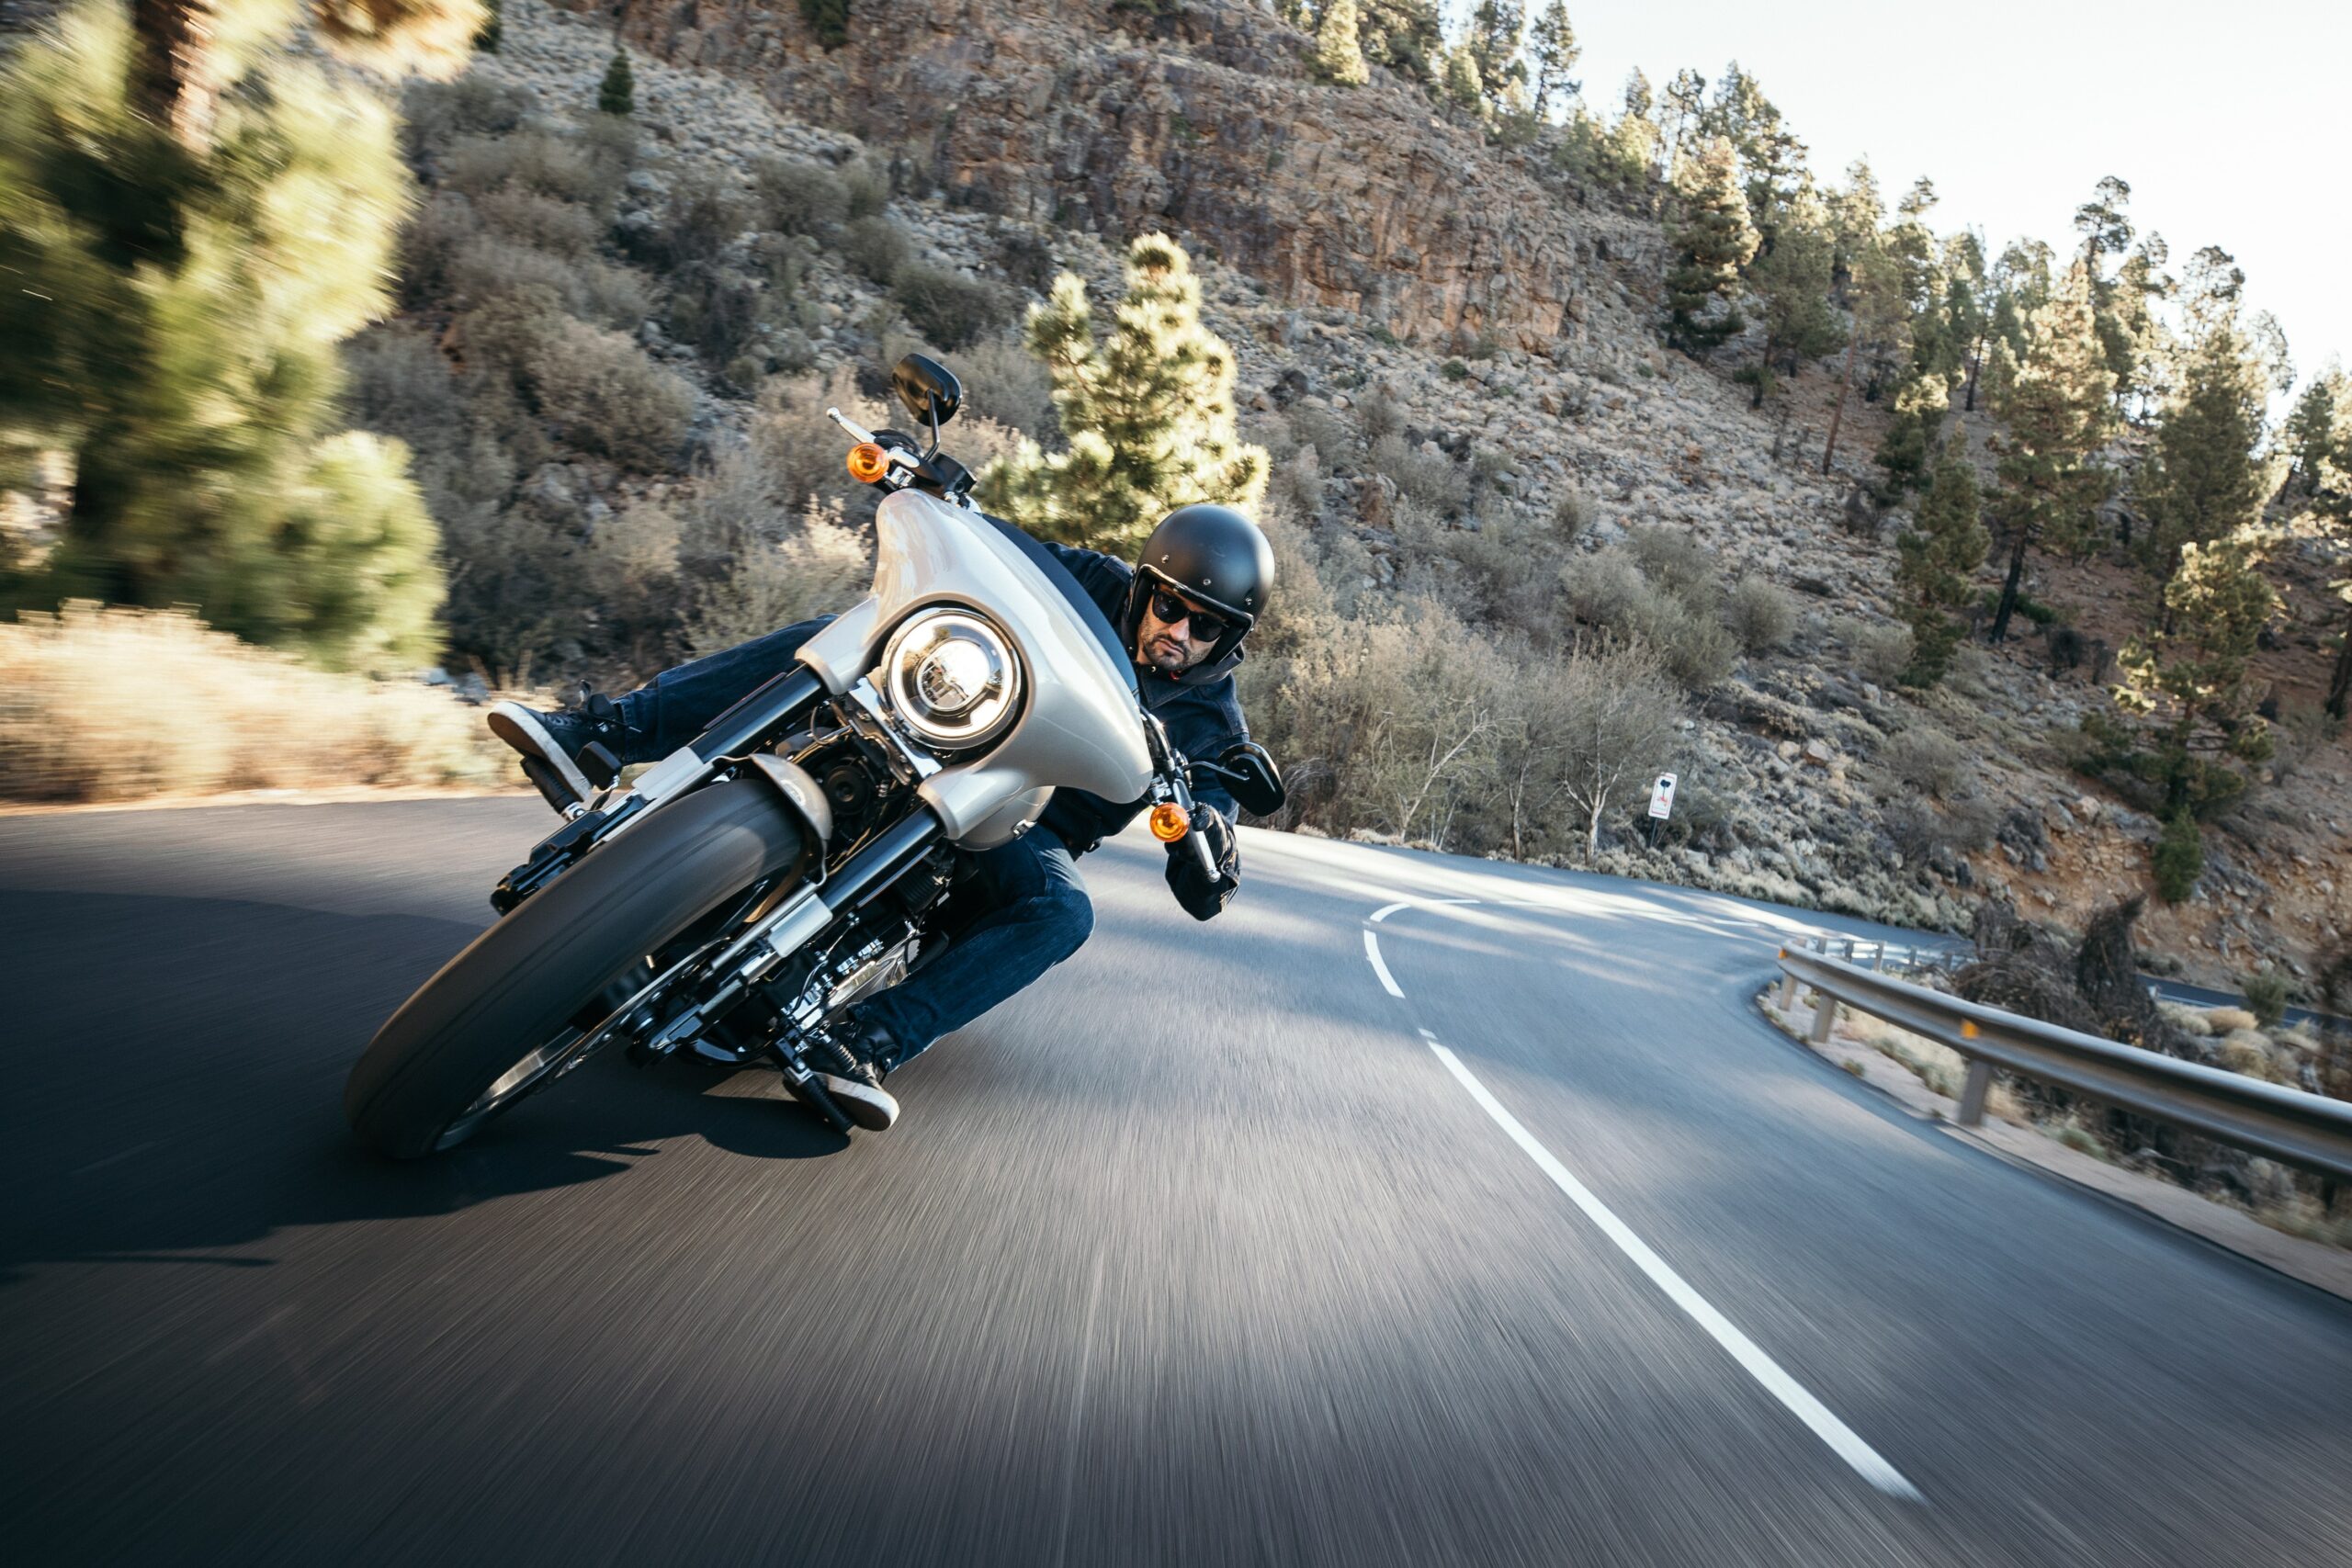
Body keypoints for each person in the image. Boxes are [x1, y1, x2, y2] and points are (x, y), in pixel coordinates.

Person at [486, 502, 1273, 1132]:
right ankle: (601, 733)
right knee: (837, 638)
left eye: (1205, 626)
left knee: (1062, 913)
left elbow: (1211, 857)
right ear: (1145, 586)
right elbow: (990, 548)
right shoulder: (1090, 581)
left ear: (1228, 641)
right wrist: (936, 495)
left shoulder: (1212, 724)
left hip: (1019, 831)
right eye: (1171, 604)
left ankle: (868, 1043)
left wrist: (1210, 843)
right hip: (939, 734)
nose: (1178, 632)